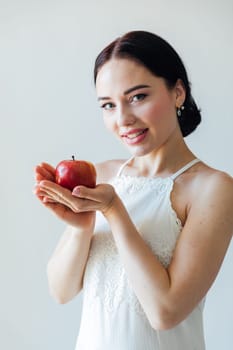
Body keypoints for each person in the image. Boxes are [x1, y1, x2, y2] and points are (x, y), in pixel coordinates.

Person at [34, 30, 233, 350]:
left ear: (178, 92)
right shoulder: (104, 174)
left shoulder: (213, 188)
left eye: (138, 97)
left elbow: (165, 312)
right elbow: (61, 290)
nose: (123, 119)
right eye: (108, 105)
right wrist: (82, 225)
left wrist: (114, 210)